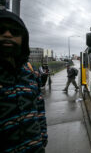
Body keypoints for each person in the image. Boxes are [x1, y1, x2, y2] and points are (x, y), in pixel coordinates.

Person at [0, 10, 48, 152]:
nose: (8, 34)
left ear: (23, 39)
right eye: (1, 30)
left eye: (14, 32)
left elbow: (40, 110)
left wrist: (42, 138)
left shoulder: (31, 72)